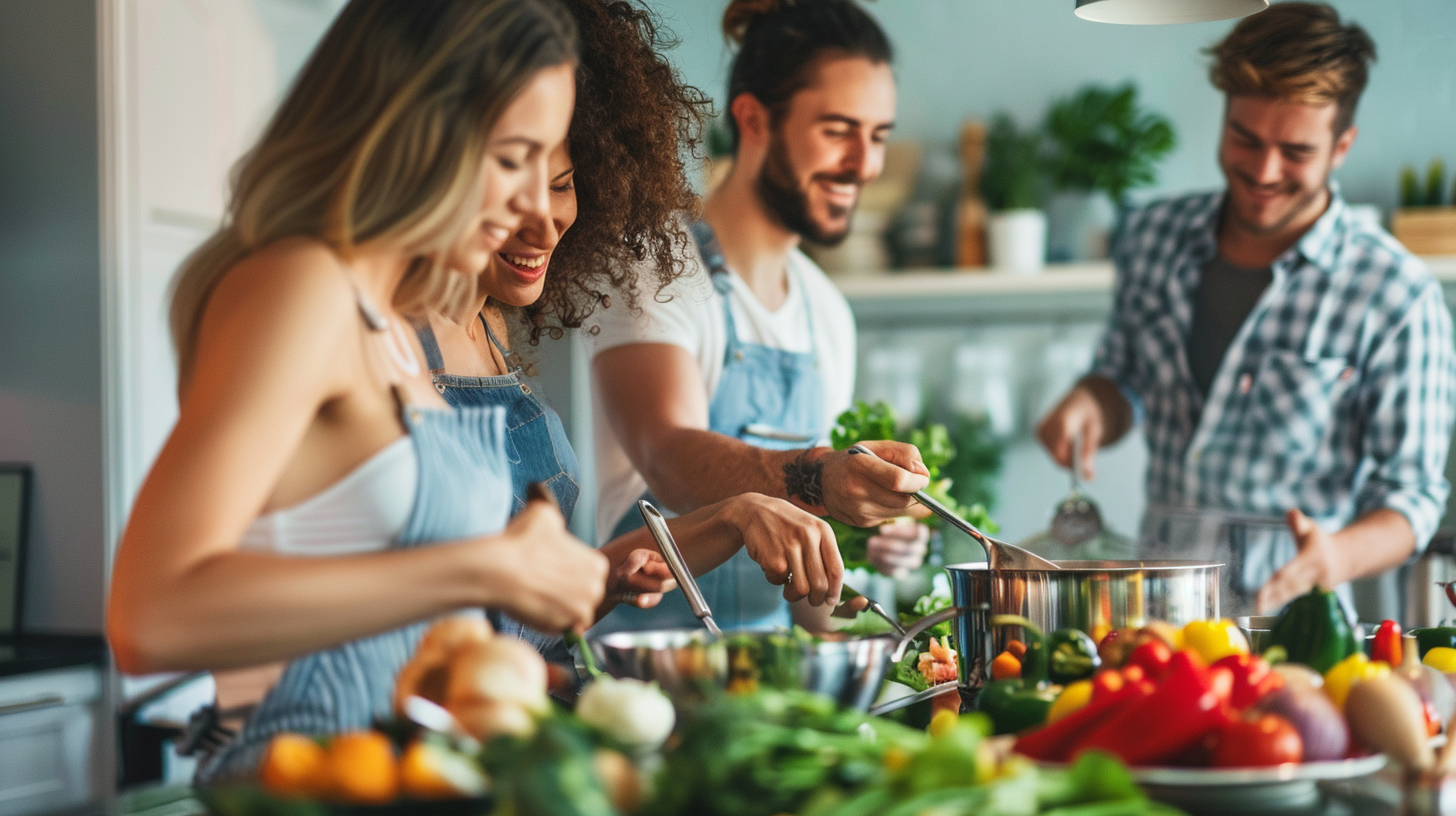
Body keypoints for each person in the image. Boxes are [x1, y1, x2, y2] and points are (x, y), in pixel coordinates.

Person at [106, 0, 657, 781]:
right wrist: (486, 567)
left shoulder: (388, 326)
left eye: (548, 168)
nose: (538, 207)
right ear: (415, 127)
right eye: (512, 158)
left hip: (405, 778)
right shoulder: (301, 287)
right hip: (302, 782)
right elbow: (151, 615)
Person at [413, 0, 851, 646]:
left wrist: (734, 517)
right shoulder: (381, 338)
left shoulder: (490, 330)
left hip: (524, 710)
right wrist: (817, 477)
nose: (543, 222)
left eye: (562, 184)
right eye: (509, 183)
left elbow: (546, 604)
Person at [1036, 2, 1456, 615]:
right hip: (1160, 610)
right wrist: (1091, 402)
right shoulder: (1152, 238)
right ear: (1225, 116)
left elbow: (1413, 497)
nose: (1263, 171)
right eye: (1245, 138)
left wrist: (1334, 556)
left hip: (1306, 620)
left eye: (1296, 152)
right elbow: (1123, 380)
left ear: (1342, 146)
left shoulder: (1396, 294)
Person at [586, 0, 931, 635]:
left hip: (771, 683)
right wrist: (819, 477)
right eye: (837, 130)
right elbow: (670, 453)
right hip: (641, 681)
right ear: (754, 120)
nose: (866, 164)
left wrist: (864, 555)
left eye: (878, 135)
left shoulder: (825, 311)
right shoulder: (655, 265)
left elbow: (810, 603)